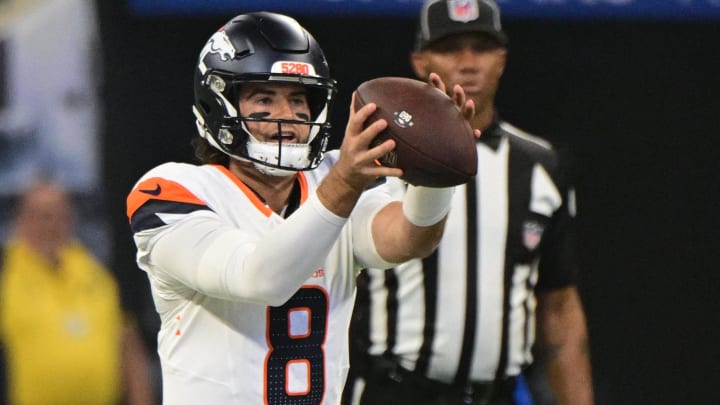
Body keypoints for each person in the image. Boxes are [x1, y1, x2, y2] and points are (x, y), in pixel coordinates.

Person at [124, 11, 477, 405]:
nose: (288, 118)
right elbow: (261, 279)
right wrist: (343, 182)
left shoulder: (331, 176)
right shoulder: (173, 190)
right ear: (218, 102)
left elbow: (409, 238)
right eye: (264, 99)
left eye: (298, 99)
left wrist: (437, 169)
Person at [343, 1, 594, 405]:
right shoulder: (377, 157)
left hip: (496, 396)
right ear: (420, 61)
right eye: (450, 47)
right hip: (393, 392)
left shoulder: (541, 166)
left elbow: (559, 307)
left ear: (502, 59)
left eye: (481, 47)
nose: (467, 63)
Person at [0, 179, 155, 405]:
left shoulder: (96, 273)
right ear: (20, 220)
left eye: (57, 215)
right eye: (41, 215)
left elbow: (128, 346)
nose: (49, 224)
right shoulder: (6, 271)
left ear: (70, 219)